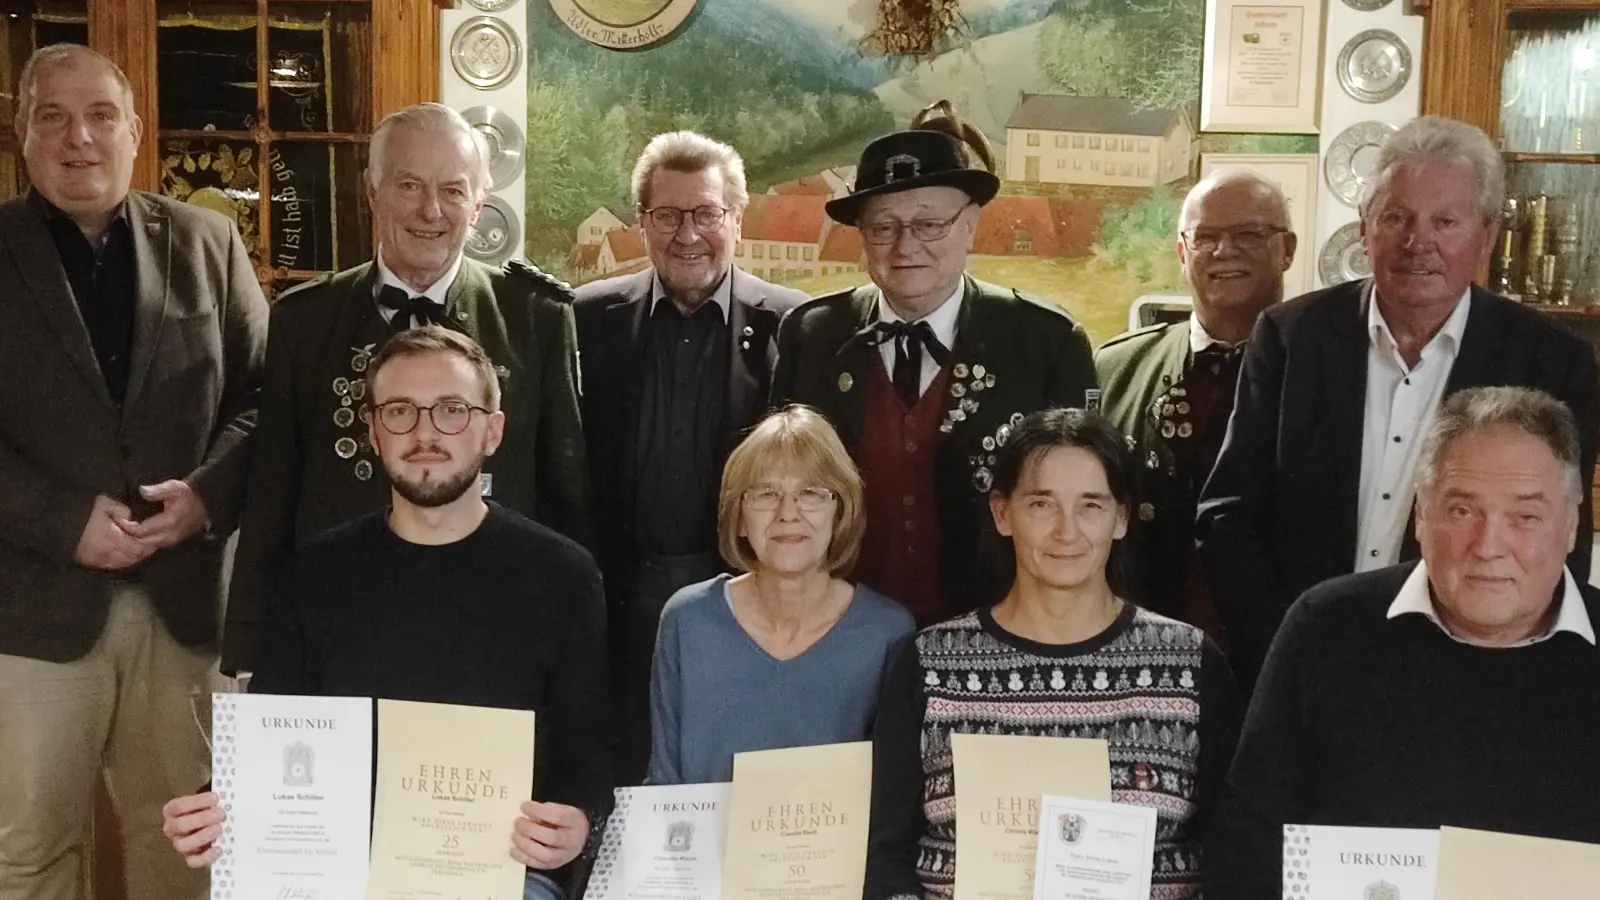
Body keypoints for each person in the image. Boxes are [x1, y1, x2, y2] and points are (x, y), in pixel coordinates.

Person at [159, 328, 609, 900]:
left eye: (452, 410)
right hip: (341, 866)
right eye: (399, 411)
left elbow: (586, 754)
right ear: (373, 431)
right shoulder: (315, 572)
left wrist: (575, 822)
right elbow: (278, 731)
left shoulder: (563, 576)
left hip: (500, 872)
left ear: (491, 431)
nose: (424, 433)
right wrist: (215, 803)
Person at [1195, 115, 1598, 687]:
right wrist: (1293, 641)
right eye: (1397, 218)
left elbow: (1558, 537)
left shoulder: (1551, 363)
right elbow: (1227, 515)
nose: (1418, 242)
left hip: (1467, 677)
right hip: (1297, 667)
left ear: (1485, 237)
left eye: (1445, 222)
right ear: (1365, 228)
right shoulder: (1291, 336)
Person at [0, 44, 268, 900]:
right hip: (32, 609)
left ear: (135, 131)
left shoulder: (208, 241)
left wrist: (206, 498)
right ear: (21, 132)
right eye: (53, 116)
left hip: (185, 605)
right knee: (32, 851)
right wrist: (60, 519)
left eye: (101, 116)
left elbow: (263, 401)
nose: (79, 137)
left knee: (187, 850)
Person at [221, 102, 589, 679]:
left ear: (480, 203)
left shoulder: (535, 316)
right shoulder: (306, 320)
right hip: (341, 623)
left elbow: (566, 492)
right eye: (409, 186)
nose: (431, 211)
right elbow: (271, 491)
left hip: (493, 621)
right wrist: (249, 651)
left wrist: (572, 637)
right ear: (372, 192)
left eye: (453, 190)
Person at [1206, 386, 1600, 899]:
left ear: (1571, 527)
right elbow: (1247, 846)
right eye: (1462, 511)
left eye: (1525, 516)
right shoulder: (1325, 630)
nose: (1488, 546)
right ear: (1420, 516)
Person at [866, 408, 1238, 900]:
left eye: (1091, 506)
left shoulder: (1191, 665)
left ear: (1121, 517)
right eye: (1042, 504)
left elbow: (1236, 849)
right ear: (1003, 513)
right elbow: (882, 851)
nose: (1067, 531)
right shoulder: (932, 663)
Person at [772, 101, 1098, 628]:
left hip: (997, 636)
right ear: (860, 236)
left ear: (970, 225)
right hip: (836, 633)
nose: (906, 246)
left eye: (929, 224)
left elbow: (1084, 513)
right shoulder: (811, 335)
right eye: (884, 228)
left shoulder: (1044, 343)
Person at [574, 131, 806, 784]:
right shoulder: (585, 320)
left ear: (737, 216)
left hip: (743, 604)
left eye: (706, 213)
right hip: (615, 606)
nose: (687, 234)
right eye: (667, 215)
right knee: (621, 773)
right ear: (642, 222)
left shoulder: (796, 326)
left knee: (727, 773)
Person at [647, 405, 913, 785]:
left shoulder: (887, 633)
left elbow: (891, 803)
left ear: (841, 511)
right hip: (702, 846)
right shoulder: (687, 620)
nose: (788, 513)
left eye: (811, 493)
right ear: (738, 517)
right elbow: (663, 785)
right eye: (766, 494)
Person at [1096, 170, 1295, 636]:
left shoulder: (1328, 372)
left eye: (1248, 234)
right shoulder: (1115, 368)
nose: (1225, 251)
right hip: (1139, 649)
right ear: (1183, 254)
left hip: (1276, 651)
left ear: (1287, 249)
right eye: (1205, 237)